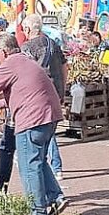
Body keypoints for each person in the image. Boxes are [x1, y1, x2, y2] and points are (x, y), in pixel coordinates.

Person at [0, 33, 65, 215]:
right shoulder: (26, 61)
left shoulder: (11, 63)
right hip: (50, 116)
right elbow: (23, 92)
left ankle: (37, 214)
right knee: (39, 161)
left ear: (3, 51)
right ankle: (56, 197)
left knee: (28, 166)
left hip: (32, 120)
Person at [21, 14, 68, 181]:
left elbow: (26, 73)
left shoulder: (27, 47)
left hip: (39, 94)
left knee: (43, 132)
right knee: (50, 130)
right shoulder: (52, 43)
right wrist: (62, 87)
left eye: (23, 29)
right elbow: (64, 65)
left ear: (27, 29)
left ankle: (52, 168)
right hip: (55, 91)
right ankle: (55, 167)